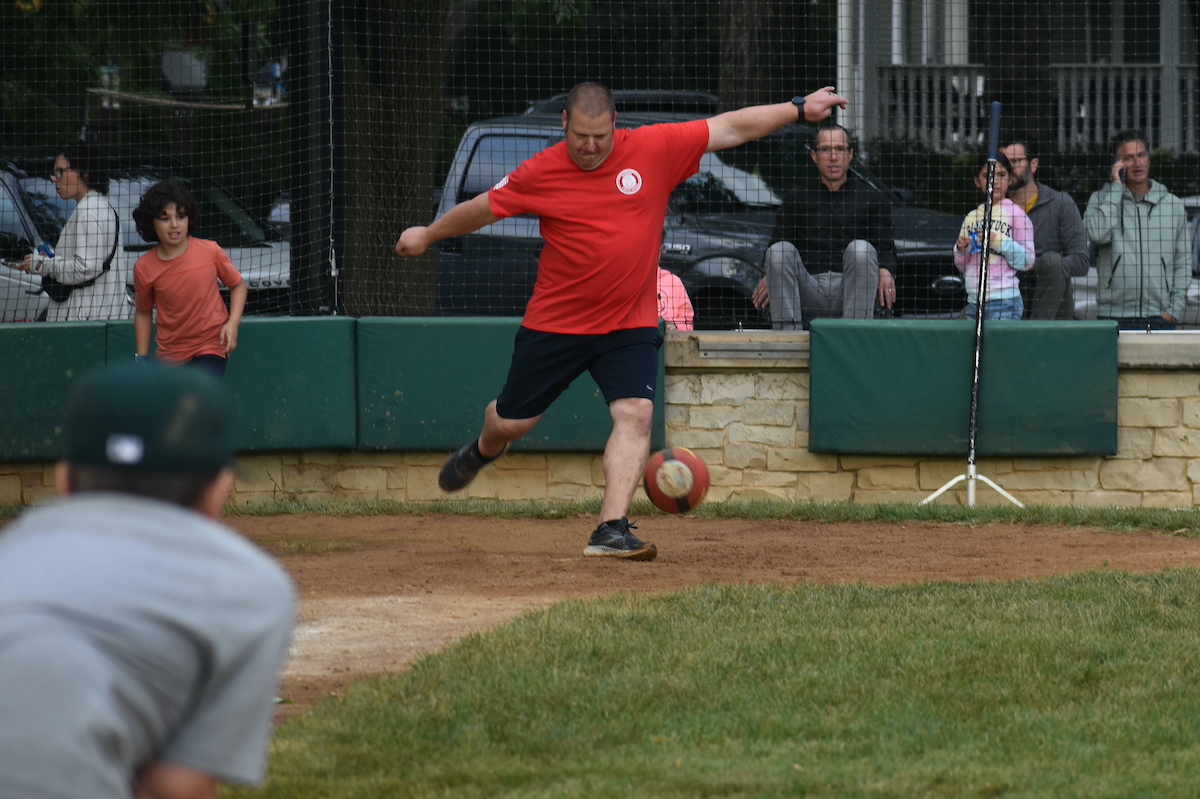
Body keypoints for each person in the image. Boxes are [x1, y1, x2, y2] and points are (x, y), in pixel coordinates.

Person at [395, 82, 847, 560]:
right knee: (512, 423)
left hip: (628, 321)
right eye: (580, 137)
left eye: (600, 137)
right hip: (557, 323)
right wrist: (427, 234)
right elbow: (482, 209)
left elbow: (731, 127)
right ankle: (484, 449)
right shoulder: (541, 171)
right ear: (564, 125)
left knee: (636, 413)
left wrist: (798, 110)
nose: (590, 147)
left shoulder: (653, 148)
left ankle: (610, 529)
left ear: (616, 126)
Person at [0, 362, 295, 799]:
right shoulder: (251, 589)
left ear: (64, 481)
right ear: (218, 491)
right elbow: (174, 790)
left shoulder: (13, 551)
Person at [751, 124, 897, 329]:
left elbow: (885, 246)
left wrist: (886, 270)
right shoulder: (796, 198)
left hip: (853, 290)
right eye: (826, 150)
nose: (833, 157)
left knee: (861, 249)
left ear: (851, 154)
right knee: (778, 251)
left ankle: (854, 341)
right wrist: (772, 274)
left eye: (840, 149)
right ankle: (786, 342)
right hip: (808, 290)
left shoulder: (873, 199)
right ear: (814, 156)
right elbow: (778, 243)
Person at [132, 181, 247, 378]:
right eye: (165, 218)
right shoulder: (144, 268)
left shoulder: (211, 251)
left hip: (211, 347)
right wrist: (142, 359)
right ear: (152, 222)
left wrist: (232, 324)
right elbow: (143, 313)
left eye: (181, 216)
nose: (174, 224)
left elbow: (238, 286)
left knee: (198, 398)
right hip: (170, 356)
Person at [8, 140, 129, 321]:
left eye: (61, 172)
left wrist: (41, 264)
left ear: (86, 174)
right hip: (100, 320)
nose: (54, 179)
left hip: (82, 322)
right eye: (55, 172)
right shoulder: (105, 208)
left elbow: (84, 268)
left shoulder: (88, 212)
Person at [1084, 129, 1192, 330]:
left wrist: (1174, 311)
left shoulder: (1173, 205)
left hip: (1160, 316)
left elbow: (1183, 261)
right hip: (1112, 316)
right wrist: (1116, 189)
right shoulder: (1100, 200)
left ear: (1148, 158)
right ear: (1117, 164)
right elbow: (1097, 234)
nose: (1137, 163)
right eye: (1128, 158)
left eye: (1141, 155)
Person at [999, 136, 1090, 320]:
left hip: (1053, 307)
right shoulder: (993, 210)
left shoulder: (1061, 203)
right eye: (1004, 163)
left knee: (1052, 260)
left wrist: (1035, 264)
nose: (1009, 168)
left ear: (1033, 164)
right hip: (1005, 304)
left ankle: (1038, 334)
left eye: (1015, 161)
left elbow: (1081, 262)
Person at [953, 151, 1036, 320]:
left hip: (1005, 301)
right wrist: (960, 250)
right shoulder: (971, 218)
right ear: (977, 182)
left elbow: (1027, 261)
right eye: (987, 175)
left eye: (1001, 174)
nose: (994, 181)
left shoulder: (1017, 215)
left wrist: (998, 241)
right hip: (974, 301)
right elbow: (962, 266)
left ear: (1011, 179)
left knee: (1000, 347)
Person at [657, 266, 694, 331]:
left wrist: (676, 326)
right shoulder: (634, 281)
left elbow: (687, 320)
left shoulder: (673, 281)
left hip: (672, 338)